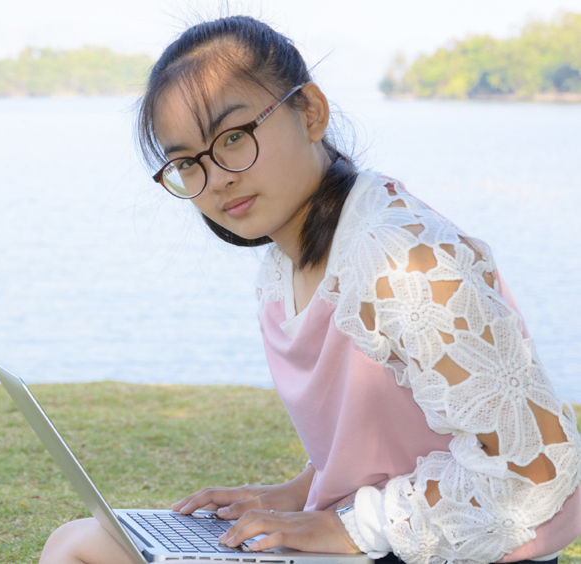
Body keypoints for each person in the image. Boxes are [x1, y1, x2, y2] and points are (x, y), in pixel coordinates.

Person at [39, 15, 581, 564]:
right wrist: (301, 493)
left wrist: (350, 526)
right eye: (187, 163)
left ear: (311, 113)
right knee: (78, 539)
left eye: (233, 137)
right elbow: (393, 428)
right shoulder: (284, 267)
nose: (218, 177)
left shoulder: (404, 261)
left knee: (85, 549)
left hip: (467, 551)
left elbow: (535, 469)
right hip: (387, 542)